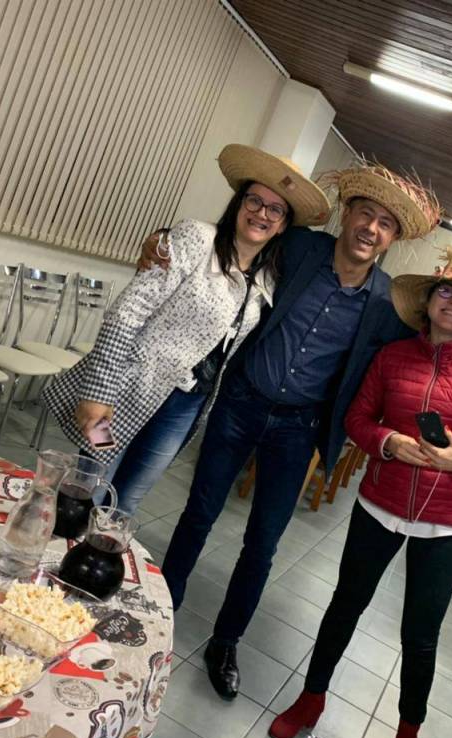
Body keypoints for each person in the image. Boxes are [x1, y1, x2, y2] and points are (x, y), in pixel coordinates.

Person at [142, 161, 441, 699]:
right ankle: (161, 610)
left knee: (262, 544)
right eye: (365, 214)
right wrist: (163, 241)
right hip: (240, 404)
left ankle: (226, 642)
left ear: (393, 239)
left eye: (385, 224)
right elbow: (236, 242)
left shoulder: (389, 304)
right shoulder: (298, 248)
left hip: (298, 431)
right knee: (199, 514)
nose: (371, 229)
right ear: (346, 215)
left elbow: (420, 353)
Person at [269, 248, 452, 738]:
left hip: (447, 525)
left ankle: (407, 736)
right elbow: (358, 419)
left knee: (420, 636)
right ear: (429, 299)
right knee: (345, 605)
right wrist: (388, 442)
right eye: (447, 290)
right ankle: (311, 697)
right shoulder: (392, 357)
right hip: (379, 505)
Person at [41, 145, 330, 520]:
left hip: (184, 408)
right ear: (239, 203)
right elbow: (126, 314)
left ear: (284, 224)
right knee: (89, 488)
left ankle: (98, 556)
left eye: (275, 209)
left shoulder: (267, 278)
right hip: (125, 391)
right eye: (254, 200)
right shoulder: (196, 238)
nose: (262, 213)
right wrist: (98, 394)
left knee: (128, 500)